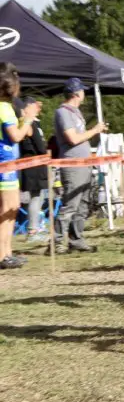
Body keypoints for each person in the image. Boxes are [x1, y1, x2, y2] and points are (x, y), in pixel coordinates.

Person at [51, 77, 108, 255]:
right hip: (73, 165)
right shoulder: (63, 113)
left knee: (82, 205)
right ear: (76, 93)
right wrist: (95, 130)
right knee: (70, 205)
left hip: (84, 164)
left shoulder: (75, 112)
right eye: (82, 90)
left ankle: (77, 240)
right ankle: (57, 243)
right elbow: (73, 138)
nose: (84, 93)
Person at [0, 63, 38, 268]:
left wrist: (25, 122)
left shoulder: (5, 108)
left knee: (12, 209)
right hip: (4, 162)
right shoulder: (4, 108)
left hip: (9, 163)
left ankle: (7, 252)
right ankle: (2, 255)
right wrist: (29, 119)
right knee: (7, 209)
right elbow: (15, 136)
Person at [15, 96, 47, 242]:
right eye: (35, 107)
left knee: (39, 197)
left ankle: (36, 227)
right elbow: (39, 146)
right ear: (27, 108)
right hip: (33, 165)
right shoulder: (28, 124)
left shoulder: (32, 124)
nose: (37, 110)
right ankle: (32, 231)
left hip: (36, 165)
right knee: (36, 197)